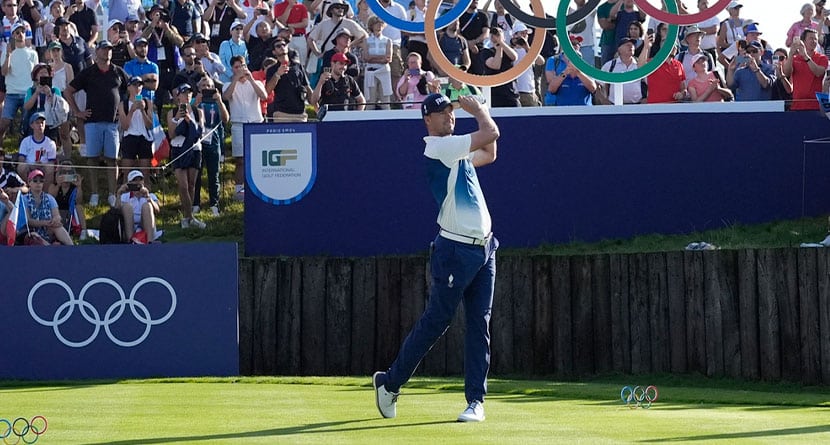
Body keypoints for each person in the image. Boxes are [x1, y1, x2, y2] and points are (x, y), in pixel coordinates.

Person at [373, 93, 500, 423]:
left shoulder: (458, 154)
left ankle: (476, 401)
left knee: (479, 325)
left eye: (451, 112)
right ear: (427, 119)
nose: (449, 117)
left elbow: (489, 152)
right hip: (455, 251)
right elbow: (490, 135)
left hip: (485, 249)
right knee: (437, 322)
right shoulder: (439, 147)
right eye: (442, 114)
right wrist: (480, 111)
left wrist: (478, 114)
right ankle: (390, 384)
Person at [65, 40, 131, 208]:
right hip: (92, 122)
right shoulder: (89, 72)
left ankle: (112, 194)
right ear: (97, 52)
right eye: (104, 49)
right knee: (92, 159)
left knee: (112, 160)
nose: (107, 52)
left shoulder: (118, 72)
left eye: (109, 49)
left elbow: (130, 90)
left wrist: (123, 110)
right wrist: (77, 112)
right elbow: (68, 91)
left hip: (112, 123)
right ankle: (94, 193)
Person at [223, 54, 266, 201]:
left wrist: (251, 79)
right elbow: (226, 96)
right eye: (236, 67)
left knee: (258, 158)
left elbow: (264, 96)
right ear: (232, 69)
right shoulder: (227, 84)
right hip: (238, 125)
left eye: (241, 66)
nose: (240, 69)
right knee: (240, 160)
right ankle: (239, 189)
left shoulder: (256, 82)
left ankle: (258, 185)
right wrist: (236, 79)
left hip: (256, 123)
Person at [167, 83, 206, 229]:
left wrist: (190, 121)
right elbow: (171, 134)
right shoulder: (172, 112)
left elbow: (199, 132)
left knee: (191, 184)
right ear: (178, 96)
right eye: (184, 93)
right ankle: (189, 217)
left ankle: (187, 216)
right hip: (178, 148)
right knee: (182, 185)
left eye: (189, 93)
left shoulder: (197, 112)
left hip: (194, 149)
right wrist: (177, 118)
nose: (187, 96)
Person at [1, 22, 39, 148]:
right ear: (13, 35)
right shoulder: (6, 53)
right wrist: (8, 55)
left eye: (22, 31)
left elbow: (36, 74)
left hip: (27, 94)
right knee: (4, 123)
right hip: (11, 93)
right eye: (17, 32)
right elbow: (4, 72)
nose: (20, 34)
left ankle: (26, 150)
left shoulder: (32, 53)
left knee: (27, 125)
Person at [194, 75, 227, 217]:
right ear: (198, 88)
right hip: (197, 142)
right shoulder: (195, 100)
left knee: (214, 175)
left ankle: (214, 203)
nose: (206, 88)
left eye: (209, 86)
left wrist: (219, 101)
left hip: (214, 141)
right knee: (196, 174)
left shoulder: (216, 102)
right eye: (203, 86)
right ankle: (195, 203)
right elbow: (187, 116)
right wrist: (196, 102)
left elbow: (226, 119)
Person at [265, 37, 311, 121]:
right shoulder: (272, 69)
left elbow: (307, 86)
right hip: (281, 113)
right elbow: (267, 90)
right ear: (274, 52)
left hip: (300, 113)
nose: (282, 47)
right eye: (278, 46)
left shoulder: (298, 66)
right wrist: (277, 74)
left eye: (284, 44)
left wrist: (315, 105)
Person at [23, 168, 73, 245]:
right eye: (35, 181)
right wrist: (45, 223)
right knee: (33, 236)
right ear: (29, 182)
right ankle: (50, 248)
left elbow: (57, 216)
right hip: (30, 231)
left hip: (48, 229)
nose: (38, 183)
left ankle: (72, 248)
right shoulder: (24, 199)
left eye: (41, 181)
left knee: (58, 227)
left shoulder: (49, 198)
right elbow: (28, 221)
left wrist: (55, 220)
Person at [783, 28, 829, 110]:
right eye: (811, 38)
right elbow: (786, 73)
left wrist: (805, 56)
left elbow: (818, 72)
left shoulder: (822, 58)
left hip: (816, 106)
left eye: (815, 39)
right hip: (797, 106)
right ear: (803, 41)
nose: (814, 41)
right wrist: (790, 55)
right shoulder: (795, 58)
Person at [545, 34, 597, 106]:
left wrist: (579, 72)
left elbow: (593, 88)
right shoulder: (554, 60)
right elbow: (551, 87)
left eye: (578, 44)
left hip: (584, 110)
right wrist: (566, 71)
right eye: (573, 44)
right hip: (561, 108)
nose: (576, 46)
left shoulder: (586, 64)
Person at [118, 76, 153, 178]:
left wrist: (142, 111)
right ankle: (125, 193)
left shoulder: (147, 103)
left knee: (145, 173)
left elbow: (150, 125)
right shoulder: (123, 104)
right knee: (127, 173)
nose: (137, 88)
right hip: (129, 137)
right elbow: (125, 126)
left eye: (140, 85)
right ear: (129, 87)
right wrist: (132, 111)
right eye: (135, 85)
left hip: (144, 138)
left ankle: (146, 192)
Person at [117, 169, 160, 244]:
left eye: (140, 180)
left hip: (145, 224)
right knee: (127, 206)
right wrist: (118, 194)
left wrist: (148, 197)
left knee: (147, 206)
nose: (137, 182)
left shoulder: (151, 195)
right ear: (129, 183)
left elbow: (157, 210)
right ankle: (130, 241)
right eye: (134, 180)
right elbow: (115, 211)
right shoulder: (124, 196)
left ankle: (150, 241)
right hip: (129, 225)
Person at [48, 160, 87, 240]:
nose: (66, 175)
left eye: (69, 172)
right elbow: (50, 198)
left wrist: (79, 186)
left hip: (70, 214)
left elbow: (79, 201)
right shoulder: (53, 186)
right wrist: (59, 184)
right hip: (56, 213)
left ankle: (83, 231)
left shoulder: (74, 188)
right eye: (63, 172)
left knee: (79, 207)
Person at [360, 16, 393, 110]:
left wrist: (372, 58)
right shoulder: (366, 40)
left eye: (381, 23)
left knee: (385, 100)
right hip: (371, 71)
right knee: (370, 100)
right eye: (376, 23)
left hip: (384, 71)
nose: (379, 26)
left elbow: (388, 59)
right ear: (372, 25)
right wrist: (381, 58)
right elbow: (366, 58)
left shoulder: (387, 41)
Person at [511, 22, 544, 107]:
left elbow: (541, 61)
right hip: (514, 91)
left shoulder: (529, 50)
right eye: (522, 33)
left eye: (526, 34)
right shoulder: (509, 50)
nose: (525, 36)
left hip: (529, 90)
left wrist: (527, 47)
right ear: (515, 35)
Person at [17, 112, 57, 180]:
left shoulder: (50, 143)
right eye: (37, 123)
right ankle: (26, 187)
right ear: (32, 125)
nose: (40, 125)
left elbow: (51, 161)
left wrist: (41, 166)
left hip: (44, 167)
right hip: (29, 167)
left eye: (42, 123)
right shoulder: (25, 141)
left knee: (50, 168)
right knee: (21, 167)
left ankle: (46, 190)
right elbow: (21, 159)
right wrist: (32, 166)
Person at [458, 0, 490, 75]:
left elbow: (486, 33)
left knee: (478, 77)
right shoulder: (460, 15)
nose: (476, 1)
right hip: (462, 51)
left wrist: (474, 42)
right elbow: (457, 32)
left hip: (478, 51)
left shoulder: (483, 16)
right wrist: (467, 43)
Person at [274, 0, 309, 66]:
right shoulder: (278, 6)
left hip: (299, 37)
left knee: (302, 64)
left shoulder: (302, 7)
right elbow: (281, 22)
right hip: (285, 39)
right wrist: (289, 7)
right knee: (286, 62)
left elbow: (305, 23)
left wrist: (289, 25)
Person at [219, 19, 247, 84]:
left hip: (241, 79)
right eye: (237, 29)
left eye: (241, 29)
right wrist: (231, 75)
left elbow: (246, 61)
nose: (239, 31)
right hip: (226, 79)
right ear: (231, 31)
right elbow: (222, 62)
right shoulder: (224, 44)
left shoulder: (244, 44)